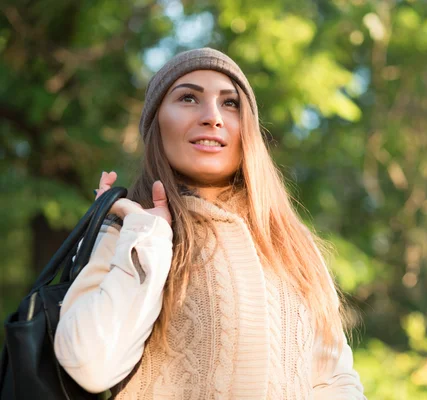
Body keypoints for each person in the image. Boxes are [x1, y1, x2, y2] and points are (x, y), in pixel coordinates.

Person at [53, 48, 366, 399]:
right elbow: (90, 365)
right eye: (188, 98)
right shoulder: (130, 230)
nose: (212, 116)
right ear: (156, 125)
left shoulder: (292, 244)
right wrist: (147, 240)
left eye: (230, 103)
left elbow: (334, 380)